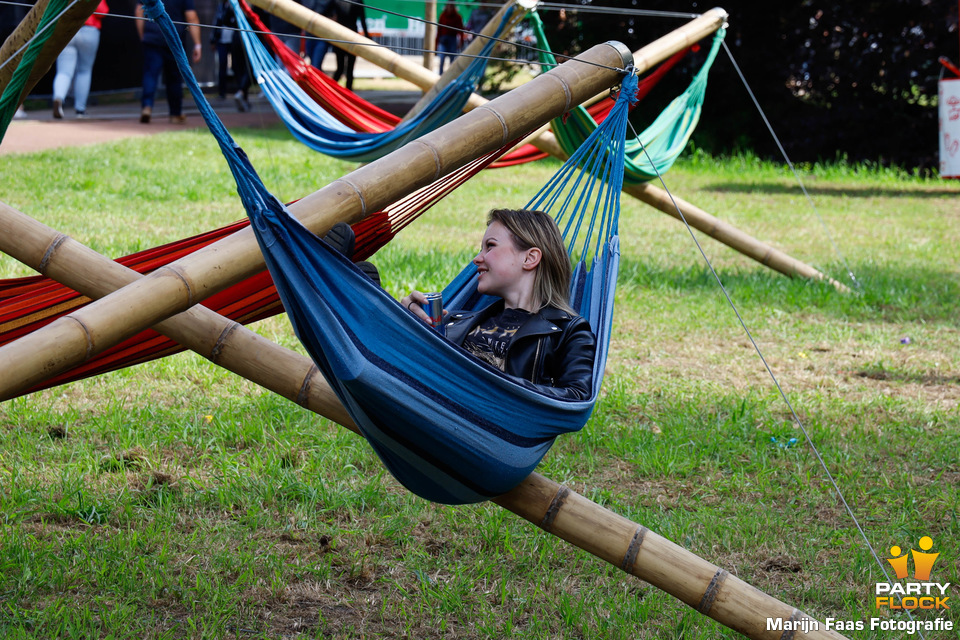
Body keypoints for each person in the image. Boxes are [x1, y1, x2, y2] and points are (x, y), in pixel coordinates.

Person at [401, 209, 596, 401]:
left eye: (490, 246)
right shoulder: (455, 320)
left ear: (529, 258)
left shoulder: (567, 332)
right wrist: (405, 321)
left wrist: (496, 385)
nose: (477, 259)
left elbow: (576, 398)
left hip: (492, 425)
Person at [135, 0, 202, 124]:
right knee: (174, 77)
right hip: (173, 38)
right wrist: (197, 44)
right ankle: (175, 113)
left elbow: (139, 12)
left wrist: (143, 36)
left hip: (152, 37)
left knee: (150, 74)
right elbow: (191, 17)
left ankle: (147, 107)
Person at [52, 0, 109, 119]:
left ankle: (58, 97)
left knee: (64, 72)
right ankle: (80, 110)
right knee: (84, 71)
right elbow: (102, 11)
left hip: (67, 28)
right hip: (89, 30)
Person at [211, 0, 251, 111]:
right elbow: (220, 20)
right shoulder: (223, 6)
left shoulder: (240, 4)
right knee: (226, 66)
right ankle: (228, 92)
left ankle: (241, 92)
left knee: (240, 67)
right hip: (229, 39)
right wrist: (213, 39)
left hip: (240, 39)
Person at [331, 0, 369, 91]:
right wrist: (367, 36)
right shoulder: (357, 1)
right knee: (349, 69)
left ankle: (331, 90)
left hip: (340, 35)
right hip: (351, 36)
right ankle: (346, 92)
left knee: (340, 68)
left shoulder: (337, 1)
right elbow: (363, 20)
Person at [435, 2, 464, 73]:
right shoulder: (442, 16)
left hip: (452, 40)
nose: (450, 8)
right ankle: (440, 75)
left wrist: (461, 42)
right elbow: (439, 30)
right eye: (449, 6)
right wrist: (436, 44)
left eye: (451, 6)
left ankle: (450, 75)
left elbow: (461, 31)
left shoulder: (458, 17)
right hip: (443, 40)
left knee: (452, 60)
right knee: (441, 59)